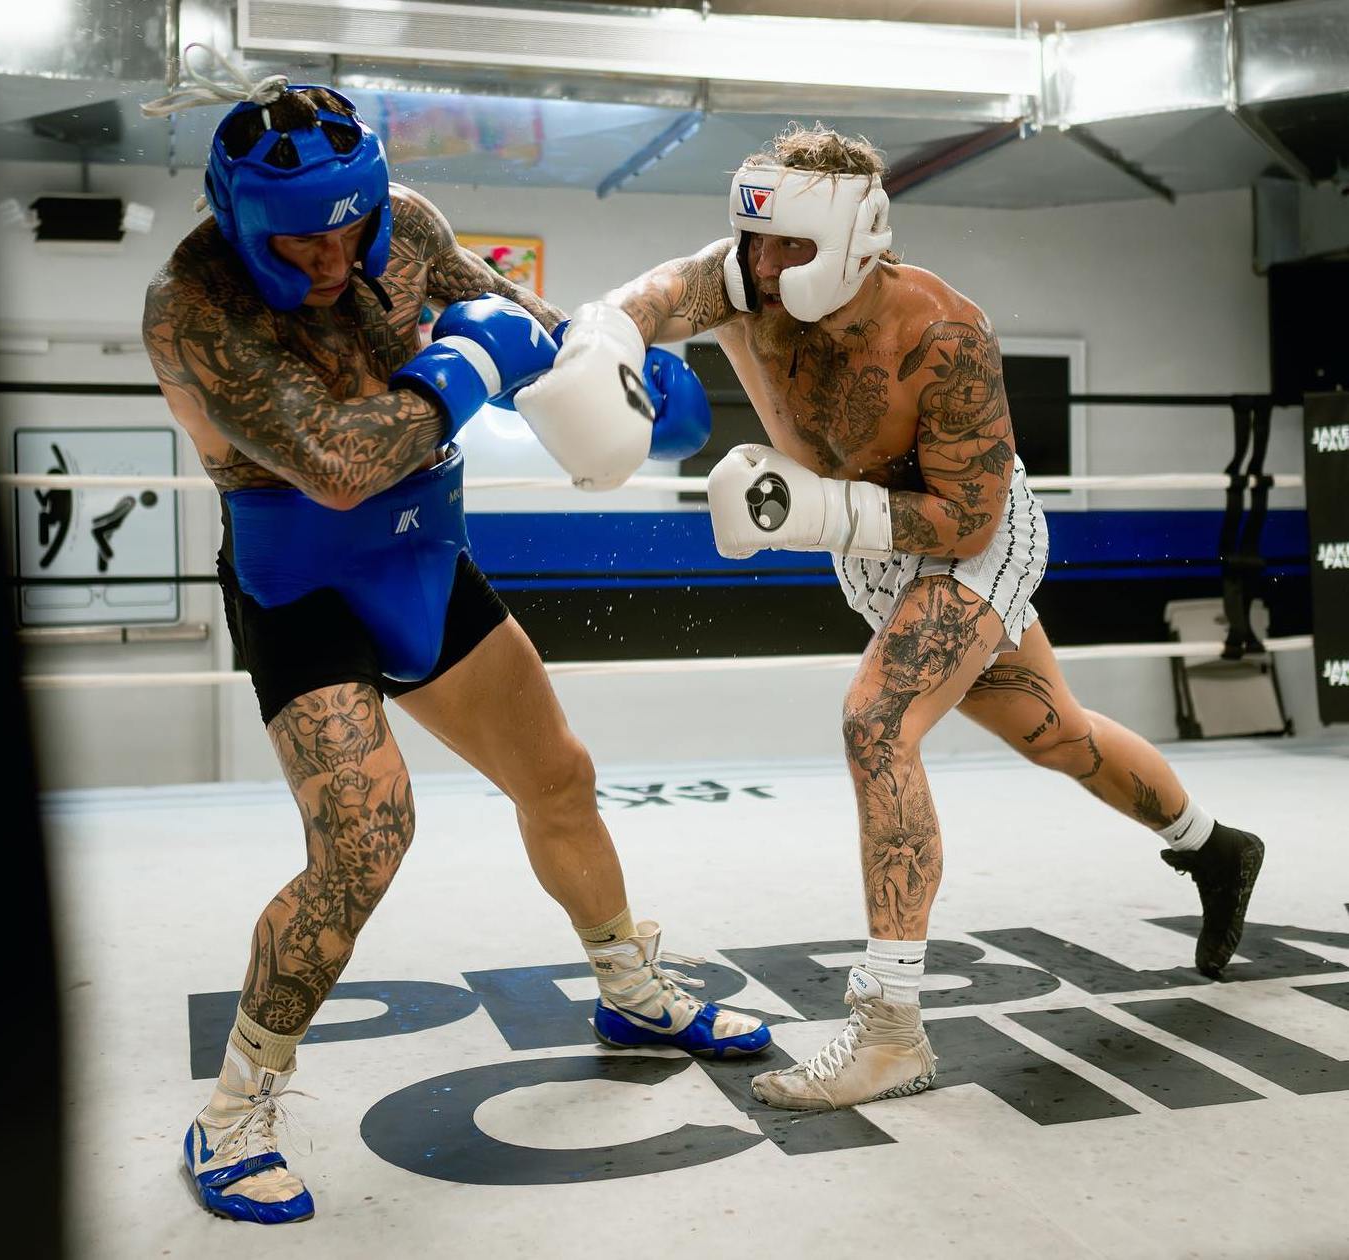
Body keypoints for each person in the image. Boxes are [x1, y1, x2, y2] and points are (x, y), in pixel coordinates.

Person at [514, 123, 1265, 1113]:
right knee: (1056, 733)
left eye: (791, 245)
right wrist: (601, 349)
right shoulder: (740, 279)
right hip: (870, 551)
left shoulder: (944, 336)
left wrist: (817, 511)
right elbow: (643, 303)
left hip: (968, 536)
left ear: (854, 242)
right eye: (756, 240)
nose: (764, 265)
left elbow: (968, 518)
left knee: (877, 723)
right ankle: (1213, 844)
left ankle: (891, 1032)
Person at [140, 61, 769, 1225]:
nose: (332, 260)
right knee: (364, 838)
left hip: (425, 546)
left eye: (348, 231)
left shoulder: (413, 229)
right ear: (239, 223)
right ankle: (231, 1111)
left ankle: (630, 990)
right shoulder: (194, 306)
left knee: (559, 777)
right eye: (300, 242)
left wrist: (619, 379)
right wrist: (467, 363)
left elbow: (528, 334)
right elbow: (334, 466)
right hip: (302, 576)